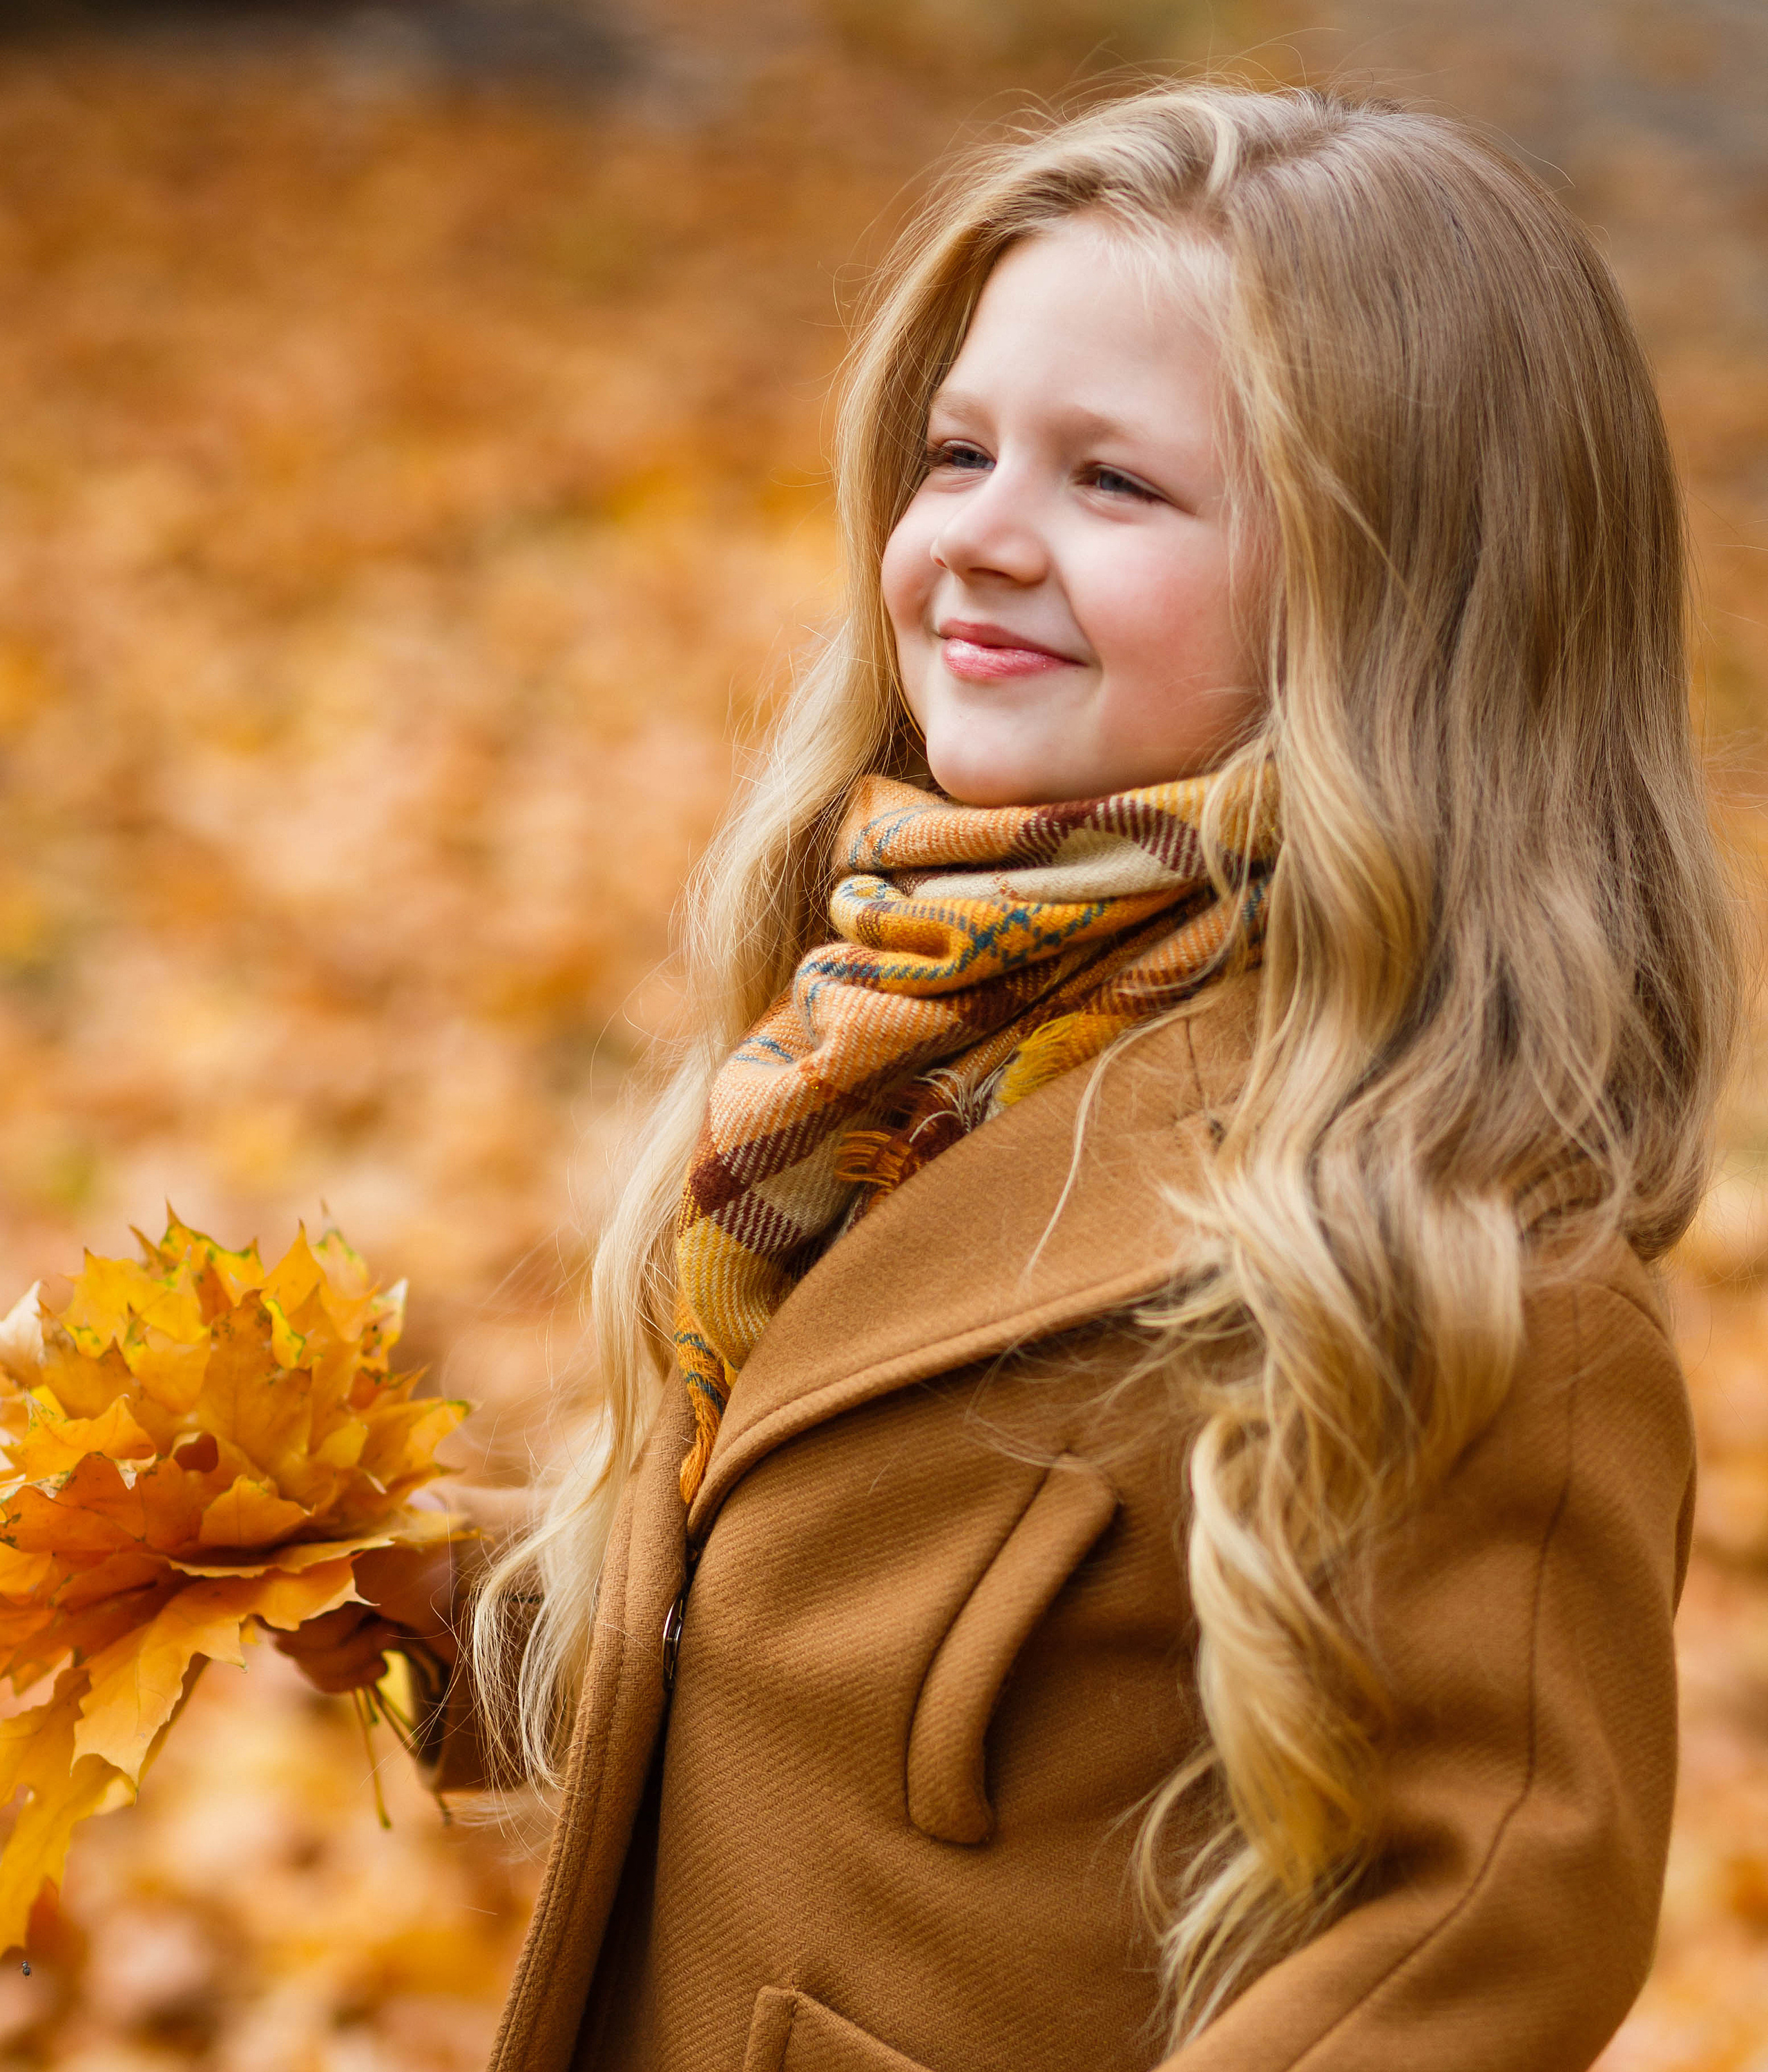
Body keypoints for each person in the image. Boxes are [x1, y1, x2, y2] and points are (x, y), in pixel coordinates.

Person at [277, 81, 1740, 2072]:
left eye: (1112, 485)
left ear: (1405, 601)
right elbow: (789, 1682)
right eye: (957, 450)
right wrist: (368, 1577)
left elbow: (1485, 1914)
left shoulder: (1450, 1235)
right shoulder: (898, 1035)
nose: (973, 534)